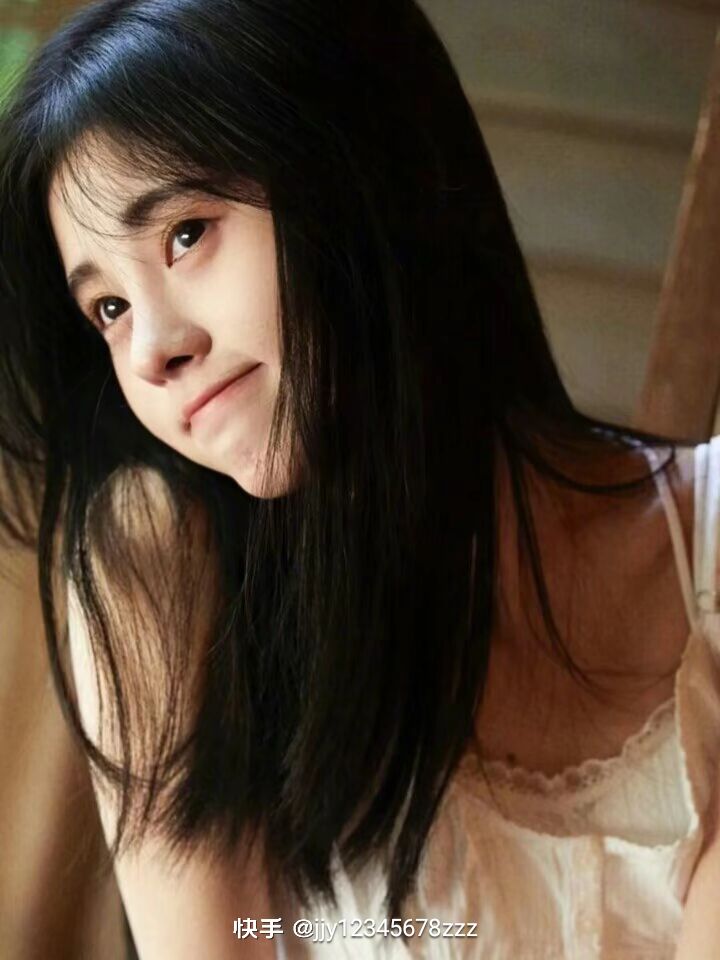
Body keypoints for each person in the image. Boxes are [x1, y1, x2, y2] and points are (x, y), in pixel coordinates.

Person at [0, 0, 718, 957]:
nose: (151, 351)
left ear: (358, 169)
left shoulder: (706, 549)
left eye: (187, 233)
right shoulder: (160, 570)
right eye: (109, 307)